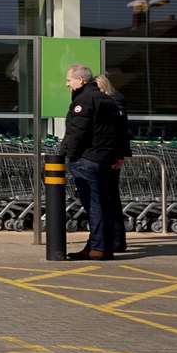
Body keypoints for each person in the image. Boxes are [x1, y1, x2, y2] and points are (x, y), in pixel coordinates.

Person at [60, 64, 119, 260]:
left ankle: (99, 248)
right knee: (101, 204)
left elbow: (77, 132)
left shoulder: (84, 100)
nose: (67, 84)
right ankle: (99, 245)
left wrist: (66, 155)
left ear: (81, 80)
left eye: (69, 80)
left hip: (87, 159)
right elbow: (117, 133)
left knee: (94, 206)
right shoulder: (107, 99)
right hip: (103, 159)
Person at [95, 73, 131, 254]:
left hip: (109, 157)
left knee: (109, 198)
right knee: (110, 198)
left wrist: (119, 156)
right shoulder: (115, 104)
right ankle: (115, 238)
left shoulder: (113, 105)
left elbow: (120, 134)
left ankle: (116, 239)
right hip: (111, 156)